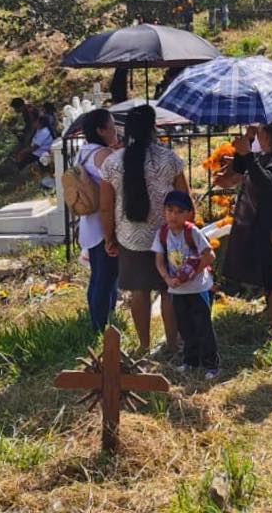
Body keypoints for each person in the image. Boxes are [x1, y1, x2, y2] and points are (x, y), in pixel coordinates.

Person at [100, 105, 187, 356]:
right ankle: (173, 344)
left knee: (139, 290)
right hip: (168, 235)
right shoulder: (170, 159)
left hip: (130, 235)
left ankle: (144, 345)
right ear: (153, 128)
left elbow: (106, 207)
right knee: (168, 288)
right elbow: (184, 197)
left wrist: (109, 237)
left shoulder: (113, 163)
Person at [224, 119, 272, 340]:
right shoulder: (268, 156)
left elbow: (266, 182)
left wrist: (248, 154)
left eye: (259, 134)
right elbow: (241, 168)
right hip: (263, 225)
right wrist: (245, 143)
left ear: (267, 135)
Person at [153, 191, 220, 380]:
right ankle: (190, 361)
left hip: (198, 288)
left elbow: (209, 255)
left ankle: (211, 365)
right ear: (164, 211)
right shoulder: (163, 233)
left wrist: (191, 273)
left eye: (179, 211)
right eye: (170, 210)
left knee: (203, 326)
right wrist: (167, 279)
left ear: (188, 214)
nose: (173, 215)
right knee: (185, 327)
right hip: (177, 289)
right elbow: (159, 260)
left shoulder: (192, 232)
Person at [76, 109, 120, 332]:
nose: (116, 130)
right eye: (112, 126)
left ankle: (101, 318)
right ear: (101, 130)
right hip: (103, 223)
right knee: (106, 276)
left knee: (100, 275)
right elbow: (116, 182)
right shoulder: (102, 154)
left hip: (89, 223)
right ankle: (100, 326)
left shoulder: (84, 151)